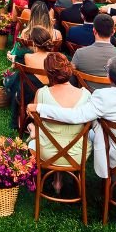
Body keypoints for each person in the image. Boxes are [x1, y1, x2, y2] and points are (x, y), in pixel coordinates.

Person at [32, 56, 116, 181]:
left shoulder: (103, 96)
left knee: (94, 129)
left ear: (109, 78)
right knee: (94, 129)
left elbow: (75, 116)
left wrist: (40, 107)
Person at [27, 52, 91, 182]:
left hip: (46, 153)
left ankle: (50, 178)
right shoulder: (86, 95)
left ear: (48, 73)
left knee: (34, 130)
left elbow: (37, 120)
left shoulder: (41, 93)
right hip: (77, 155)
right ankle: (59, 179)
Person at [71, 15, 116, 80]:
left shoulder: (79, 53)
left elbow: (71, 75)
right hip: (114, 86)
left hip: (87, 86)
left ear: (94, 31)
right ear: (113, 32)